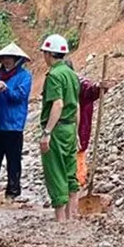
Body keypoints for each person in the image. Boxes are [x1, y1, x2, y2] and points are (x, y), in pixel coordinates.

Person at [36, 34, 81, 221]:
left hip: (58, 129)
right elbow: (76, 105)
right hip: (70, 129)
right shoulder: (72, 75)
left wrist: (47, 133)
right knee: (71, 173)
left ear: (48, 54)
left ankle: (60, 221)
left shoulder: (54, 75)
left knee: (56, 172)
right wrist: (76, 133)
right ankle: (73, 217)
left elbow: (58, 104)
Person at [0, 43, 32, 204]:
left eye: (10, 58)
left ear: (17, 60)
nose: (7, 61)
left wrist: (5, 89)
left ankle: (13, 192)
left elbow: (19, 96)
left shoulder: (25, 76)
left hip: (14, 124)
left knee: (13, 158)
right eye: (4, 58)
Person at [75, 74, 108, 189]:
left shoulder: (80, 84)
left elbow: (91, 89)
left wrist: (99, 87)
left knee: (78, 157)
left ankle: (78, 185)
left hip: (79, 130)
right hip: (67, 131)